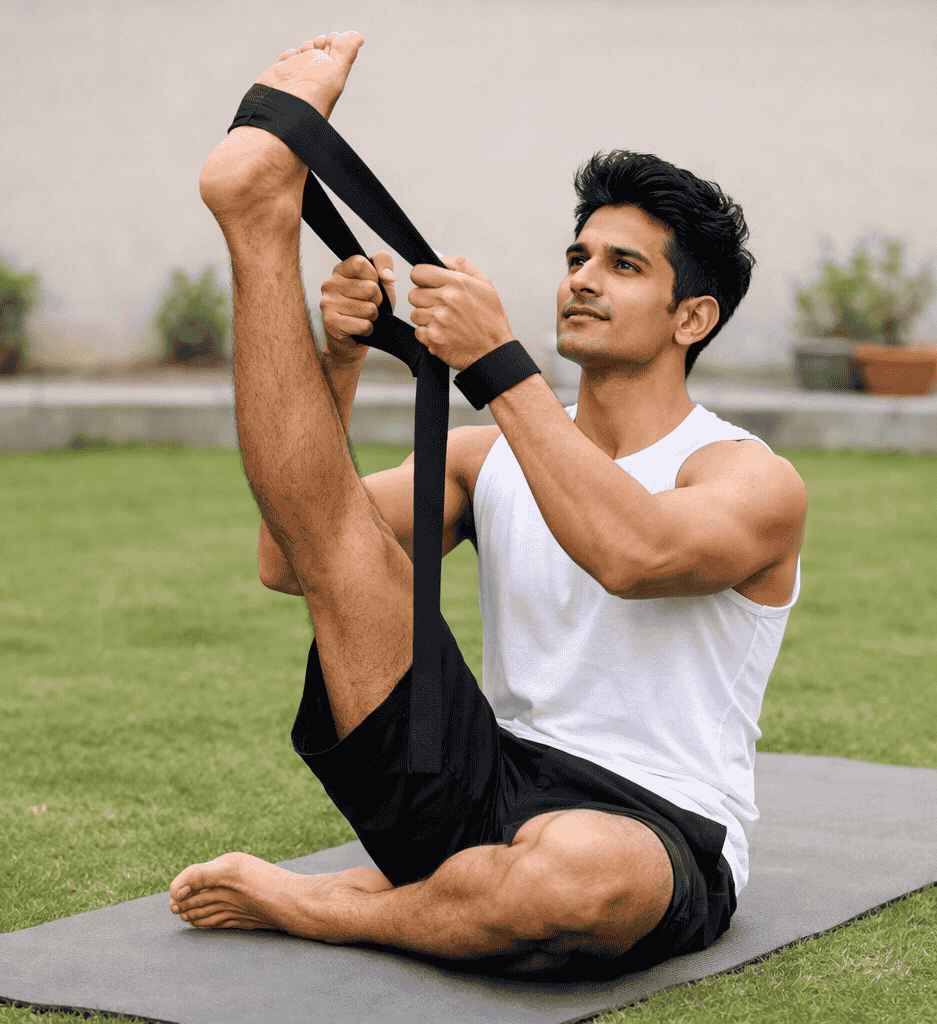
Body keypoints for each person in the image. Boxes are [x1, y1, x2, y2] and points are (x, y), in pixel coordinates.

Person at [169, 31, 807, 977]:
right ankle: (260, 221)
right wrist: (337, 364)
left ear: (692, 317)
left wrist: (500, 366)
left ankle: (325, 903)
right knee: (351, 546)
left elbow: (634, 557)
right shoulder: (487, 459)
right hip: (472, 778)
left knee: (580, 883)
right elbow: (293, 557)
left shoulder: (747, 477)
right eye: (578, 254)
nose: (582, 277)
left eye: (624, 266)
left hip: (649, 825)